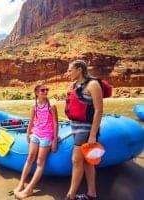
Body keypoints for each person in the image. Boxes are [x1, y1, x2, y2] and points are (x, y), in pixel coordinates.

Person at [64, 60, 103, 200]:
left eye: (70, 70)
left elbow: (99, 111)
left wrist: (92, 135)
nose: (67, 73)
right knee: (86, 161)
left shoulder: (93, 85)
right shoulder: (74, 85)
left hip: (86, 129)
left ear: (79, 69)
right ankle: (92, 194)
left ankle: (71, 196)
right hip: (75, 127)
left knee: (76, 160)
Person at [14, 83, 58, 199]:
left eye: (46, 89)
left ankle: (30, 189)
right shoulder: (34, 106)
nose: (45, 91)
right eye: (43, 90)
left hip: (46, 137)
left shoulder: (51, 106)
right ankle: (21, 183)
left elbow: (55, 123)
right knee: (29, 159)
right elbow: (31, 120)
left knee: (39, 162)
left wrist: (54, 141)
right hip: (36, 134)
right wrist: (28, 133)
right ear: (37, 92)